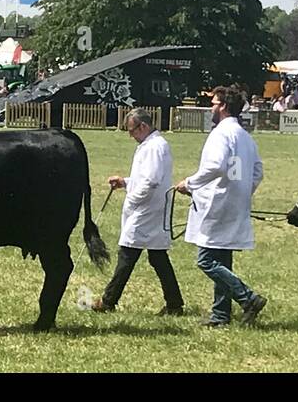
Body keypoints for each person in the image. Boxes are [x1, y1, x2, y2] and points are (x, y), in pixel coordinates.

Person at [172, 86, 266, 327]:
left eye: (213, 103)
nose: (211, 107)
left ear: (223, 106)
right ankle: (221, 314)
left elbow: (215, 166)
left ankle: (248, 297)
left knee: (206, 260)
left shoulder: (220, 134)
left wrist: (189, 183)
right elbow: (257, 171)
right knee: (222, 258)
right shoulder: (244, 136)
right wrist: (242, 190)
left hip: (217, 203)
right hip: (235, 202)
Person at [92, 108, 183, 315]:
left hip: (146, 210)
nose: (130, 135)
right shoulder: (151, 145)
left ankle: (108, 301)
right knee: (157, 257)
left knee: (128, 253)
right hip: (150, 209)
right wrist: (125, 182)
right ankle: (174, 303)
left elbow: (150, 181)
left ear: (143, 126)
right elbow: (144, 178)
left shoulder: (154, 147)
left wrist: (132, 199)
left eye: (132, 130)